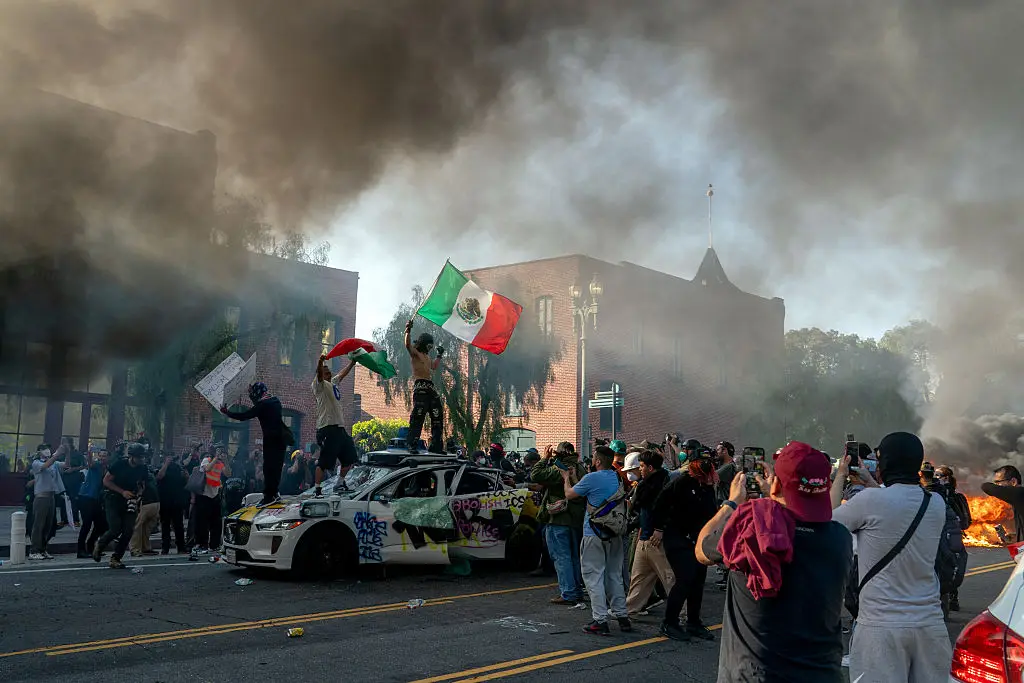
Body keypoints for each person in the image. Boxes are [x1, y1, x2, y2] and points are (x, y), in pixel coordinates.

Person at [697, 441, 852, 682]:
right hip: (823, 673)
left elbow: (701, 550)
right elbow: (816, 522)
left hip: (758, 675)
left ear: (777, 484)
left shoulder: (752, 527)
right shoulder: (840, 539)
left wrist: (732, 503)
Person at [830, 431, 950, 683]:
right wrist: (873, 482)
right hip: (930, 627)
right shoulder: (935, 503)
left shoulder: (869, 500)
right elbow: (899, 507)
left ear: (883, 465)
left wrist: (841, 474)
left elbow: (827, 524)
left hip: (881, 629)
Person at [562, 445, 631, 635]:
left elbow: (570, 494)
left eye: (594, 458)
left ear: (598, 461)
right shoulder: (616, 476)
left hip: (594, 532)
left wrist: (566, 478)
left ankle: (600, 620)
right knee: (614, 575)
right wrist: (577, 478)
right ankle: (622, 616)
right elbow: (589, 492)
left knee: (594, 577)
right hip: (614, 531)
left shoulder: (592, 478)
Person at [651, 449, 719, 641]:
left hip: (698, 539)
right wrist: (659, 528)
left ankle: (693, 622)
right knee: (685, 578)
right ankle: (669, 622)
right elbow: (659, 505)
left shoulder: (707, 486)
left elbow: (710, 512)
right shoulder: (681, 482)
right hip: (677, 537)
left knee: (698, 580)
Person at [531, 442, 587, 605]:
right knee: (573, 557)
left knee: (561, 557)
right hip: (575, 519)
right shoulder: (581, 468)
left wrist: (544, 458)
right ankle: (576, 590)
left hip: (559, 518)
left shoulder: (561, 468)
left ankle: (568, 592)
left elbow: (536, 474)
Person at [220, 382, 291, 505]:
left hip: (271, 439)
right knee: (276, 467)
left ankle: (269, 496)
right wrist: (252, 394)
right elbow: (258, 405)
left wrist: (228, 412)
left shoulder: (262, 405)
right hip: (282, 439)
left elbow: (245, 415)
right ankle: (274, 492)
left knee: (268, 468)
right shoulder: (275, 401)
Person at [625, 449, 674, 615]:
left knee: (669, 578)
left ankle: (683, 613)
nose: (640, 469)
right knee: (638, 578)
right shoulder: (648, 484)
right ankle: (630, 610)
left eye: (642, 466)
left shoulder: (662, 486)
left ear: (651, 468)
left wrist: (659, 530)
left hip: (655, 539)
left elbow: (664, 510)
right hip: (645, 538)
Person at [94, 442, 150, 568]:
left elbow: (142, 483)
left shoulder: (143, 468)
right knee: (115, 528)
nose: (142, 459)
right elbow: (106, 481)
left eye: (143, 457)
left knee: (128, 530)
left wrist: (139, 494)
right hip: (113, 498)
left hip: (130, 500)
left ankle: (116, 558)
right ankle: (100, 545)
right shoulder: (120, 464)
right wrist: (122, 491)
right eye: (140, 457)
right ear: (132, 456)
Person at [312, 354, 358, 497]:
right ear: (320, 374)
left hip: (339, 428)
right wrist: (320, 361)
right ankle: (317, 489)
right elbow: (319, 375)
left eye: (329, 371)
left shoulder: (333, 383)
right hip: (327, 428)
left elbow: (342, 374)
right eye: (326, 372)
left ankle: (339, 483)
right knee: (324, 462)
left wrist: (352, 363)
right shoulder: (318, 385)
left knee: (350, 457)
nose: (329, 373)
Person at [404, 319, 445, 453]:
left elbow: (433, 367)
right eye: (429, 345)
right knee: (418, 415)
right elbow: (407, 345)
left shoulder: (427, 357)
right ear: (424, 343)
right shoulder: (416, 353)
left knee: (437, 414)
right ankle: (411, 444)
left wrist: (439, 356)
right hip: (420, 386)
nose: (430, 348)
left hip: (430, 387)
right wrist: (407, 331)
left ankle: (436, 445)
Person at [28, 441, 69, 560]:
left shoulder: (54, 463)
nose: (47, 451)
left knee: (48, 525)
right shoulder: (36, 463)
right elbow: (45, 466)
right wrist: (57, 454)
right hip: (41, 497)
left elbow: (66, 465)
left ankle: (43, 549)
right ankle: (34, 550)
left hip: (51, 497)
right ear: (39, 452)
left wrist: (67, 453)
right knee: (38, 525)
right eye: (44, 449)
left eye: (48, 449)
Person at [193, 446, 231, 555]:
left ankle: (214, 545)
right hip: (204, 495)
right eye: (218, 452)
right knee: (202, 523)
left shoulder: (221, 464)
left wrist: (226, 461)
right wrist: (215, 458)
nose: (220, 454)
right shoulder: (207, 460)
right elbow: (207, 469)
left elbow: (228, 474)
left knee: (216, 522)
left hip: (215, 495)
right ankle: (202, 544)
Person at [76, 448, 109, 558]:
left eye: (105, 456)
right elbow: (90, 464)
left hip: (96, 499)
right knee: (87, 524)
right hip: (86, 496)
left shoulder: (108, 469)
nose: (102, 458)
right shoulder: (97, 466)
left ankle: (91, 546)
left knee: (102, 524)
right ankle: (80, 550)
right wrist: (89, 455)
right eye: (101, 456)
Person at [981, 464, 1024, 542]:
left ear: (1013, 482)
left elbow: (985, 486)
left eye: (998, 482)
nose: (997, 486)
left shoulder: (1019, 493)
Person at [156, 451, 187, 554]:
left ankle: (181, 547)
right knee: (165, 525)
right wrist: (166, 464)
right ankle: (165, 547)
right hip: (165, 501)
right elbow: (159, 477)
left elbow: (185, 481)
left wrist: (185, 475)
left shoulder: (178, 468)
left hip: (177, 501)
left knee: (178, 525)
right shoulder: (160, 467)